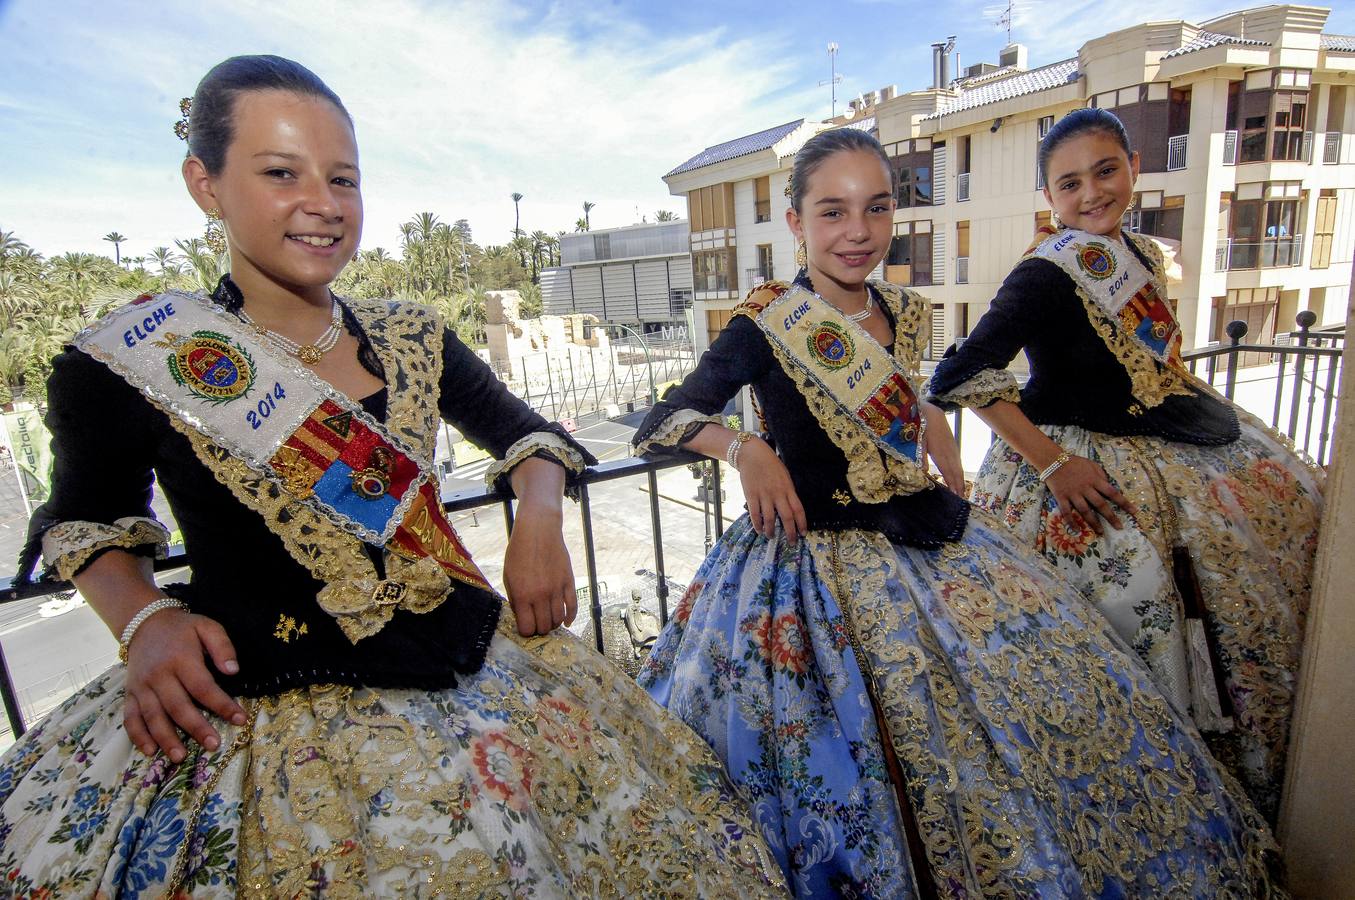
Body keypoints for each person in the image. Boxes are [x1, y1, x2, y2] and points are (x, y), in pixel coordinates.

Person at [0, 55, 786, 898]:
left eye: (343, 178)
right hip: (265, 707)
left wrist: (539, 522)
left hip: (471, 657)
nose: (323, 205)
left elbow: (528, 435)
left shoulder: (410, 335)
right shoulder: (138, 356)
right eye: (279, 174)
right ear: (206, 183)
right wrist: (146, 618)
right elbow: (85, 521)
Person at [633, 126, 1282, 898]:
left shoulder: (901, 310)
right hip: (808, 559)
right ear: (795, 223)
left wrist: (943, 455)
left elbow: (907, 395)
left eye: (875, 210)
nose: (858, 233)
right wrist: (745, 449)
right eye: (833, 213)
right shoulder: (763, 321)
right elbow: (663, 421)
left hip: (926, 530)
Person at [927, 108, 1322, 823]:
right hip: (1080, 469)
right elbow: (957, 375)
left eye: (1104, 171)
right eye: (1068, 182)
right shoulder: (1044, 273)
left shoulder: (1140, 251)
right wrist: (1053, 466)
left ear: (1132, 168)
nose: (1089, 193)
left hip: (1164, 440)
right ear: (1048, 197)